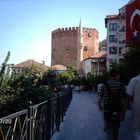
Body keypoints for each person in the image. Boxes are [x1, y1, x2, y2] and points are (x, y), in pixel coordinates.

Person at [97, 68, 126, 140]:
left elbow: (99, 98)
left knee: (109, 130)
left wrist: (100, 106)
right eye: (118, 75)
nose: (119, 76)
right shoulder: (122, 85)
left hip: (107, 110)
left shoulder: (104, 85)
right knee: (116, 130)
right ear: (116, 75)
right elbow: (124, 100)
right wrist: (123, 113)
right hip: (118, 110)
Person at [126, 67, 140, 140]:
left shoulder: (134, 80)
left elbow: (129, 95)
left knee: (136, 130)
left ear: (138, 70)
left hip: (137, 108)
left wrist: (126, 108)